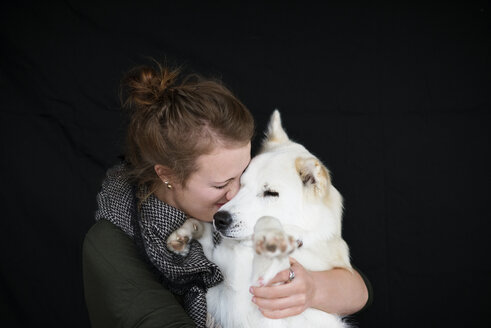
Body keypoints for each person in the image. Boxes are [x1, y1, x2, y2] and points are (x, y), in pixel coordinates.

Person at [82, 62, 372, 328]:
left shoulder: (235, 214)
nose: (236, 195)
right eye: (221, 185)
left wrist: (312, 289)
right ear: (167, 175)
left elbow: (357, 289)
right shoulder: (113, 242)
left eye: (243, 177)